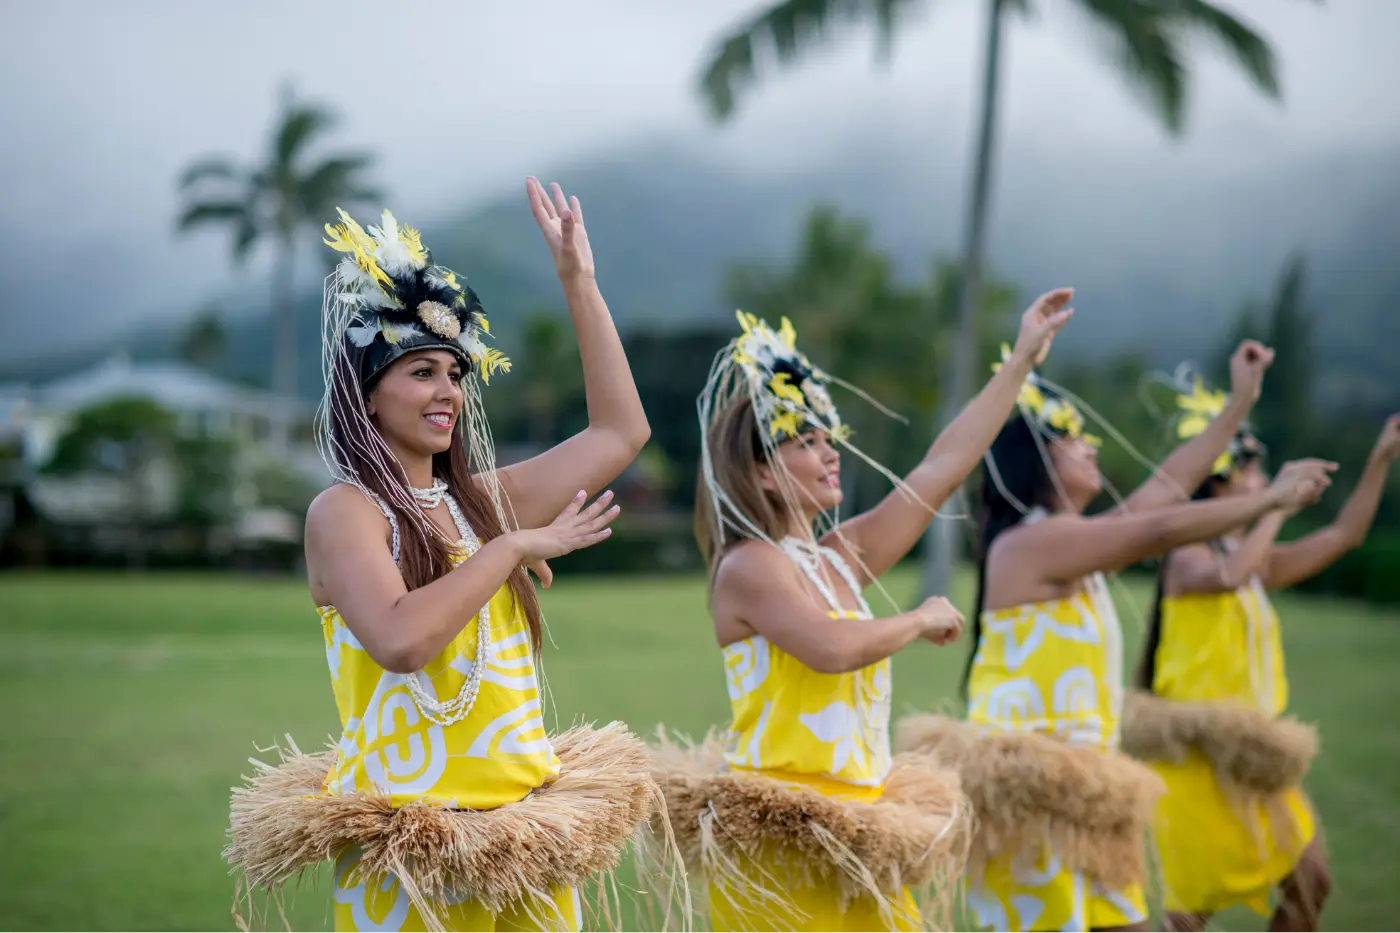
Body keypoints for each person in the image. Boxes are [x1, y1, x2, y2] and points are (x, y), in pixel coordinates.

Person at [224, 179, 664, 932]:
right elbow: (399, 638)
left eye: (456, 373)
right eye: (421, 371)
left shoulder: (477, 503)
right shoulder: (346, 511)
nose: (448, 391)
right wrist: (513, 545)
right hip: (411, 849)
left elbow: (620, 432)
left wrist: (577, 282)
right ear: (367, 394)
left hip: (522, 838)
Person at [649, 289, 1079, 932]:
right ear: (763, 472)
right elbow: (830, 648)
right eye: (808, 442)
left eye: (832, 438)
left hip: (856, 832)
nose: (831, 452)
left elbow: (941, 468)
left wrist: (1019, 361)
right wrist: (919, 619)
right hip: (785, 844)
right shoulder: (749, 566)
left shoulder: (837, 558)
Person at [897, 340, 1334, 932]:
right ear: (1041, 459)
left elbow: (1170, 486)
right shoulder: (1029, 544)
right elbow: (1157, 527)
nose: (1093, 445)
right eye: (1076, 440)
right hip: (1031, 803)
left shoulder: (1075, 544)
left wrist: (1239, 402)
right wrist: (1269, 500)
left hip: (1088, 803)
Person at [1128, 370, 1400, 932]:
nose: (1259, 479)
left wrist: (1381, 459)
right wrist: (1277, 507)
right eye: (1250, 469)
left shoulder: (1255, 559)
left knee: (1311, 883)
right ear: (1218, 484)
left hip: (1255, 754)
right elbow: (1229, 575)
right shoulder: (1188, 557)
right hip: (1196, 757)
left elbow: (1341, 537)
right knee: (1188, 912)